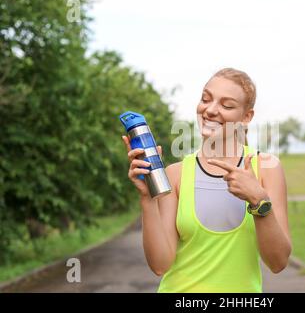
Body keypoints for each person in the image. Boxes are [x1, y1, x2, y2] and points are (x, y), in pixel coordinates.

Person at [121, 68, 291, 293]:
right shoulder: (176, 174)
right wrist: (147, 199)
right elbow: (160, 265)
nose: (210, 110)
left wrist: (258, 200)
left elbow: (278, 262)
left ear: (246, 117)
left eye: (227, 105)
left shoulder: (267, 168)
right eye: (205, 99)